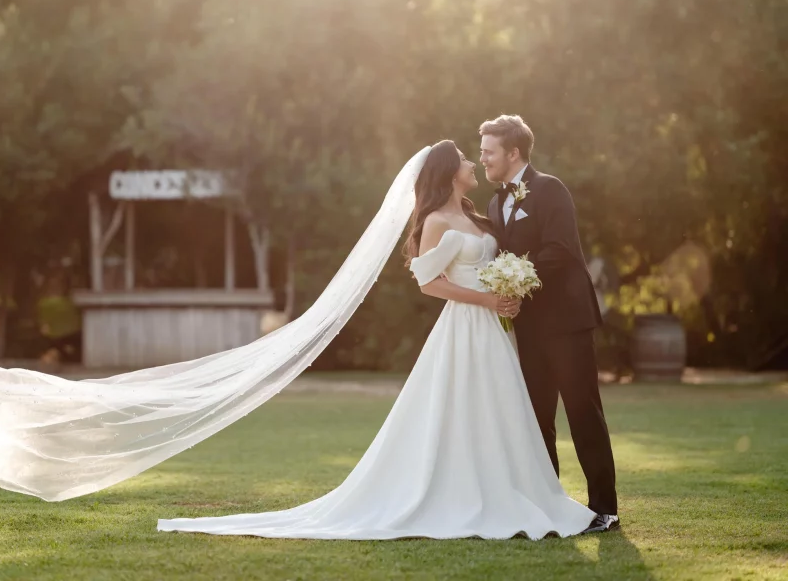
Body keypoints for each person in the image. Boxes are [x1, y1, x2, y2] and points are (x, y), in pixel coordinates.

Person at [157, 140, 594, 539]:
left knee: (501, 408)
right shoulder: (437, 221)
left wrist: (508, 293)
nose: (471, 161)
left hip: (494, 331)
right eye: (464, 157)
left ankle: (517, 491)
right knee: (462, 406)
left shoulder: (478, 215)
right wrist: (485, 299)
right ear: (447, 171)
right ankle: (462, 495)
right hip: (465, 325)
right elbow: (428, 283)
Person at [479, 114, 619, 533]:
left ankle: (605, 509)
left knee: (582, 410)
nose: (482, 158)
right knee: (537, 417)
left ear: (513, 153)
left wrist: (516, 279)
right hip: (528, 327)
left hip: (567, 323)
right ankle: (548, 505)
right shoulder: (492, 202)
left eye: (489, 151)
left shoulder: (549, 189)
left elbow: (560, 250)